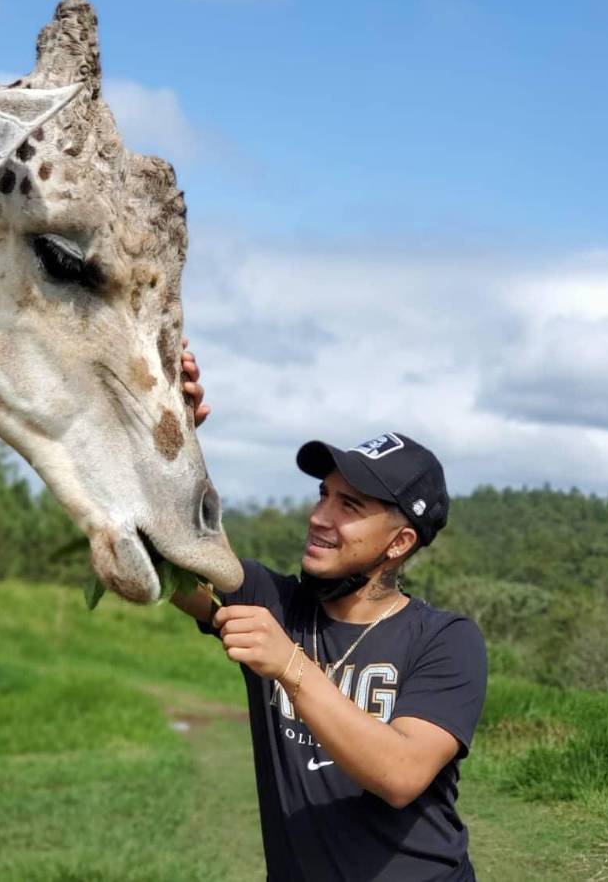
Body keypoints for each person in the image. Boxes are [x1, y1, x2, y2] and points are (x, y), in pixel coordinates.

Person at [173, 344, 488, 882]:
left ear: (399, 542)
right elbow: (179, 552)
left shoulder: (446, 640)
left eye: (350, 506)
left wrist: (289, 665)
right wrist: (175, 430)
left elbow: (400, 773)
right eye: (324, 495)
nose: (319, 517)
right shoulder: (274, 603)